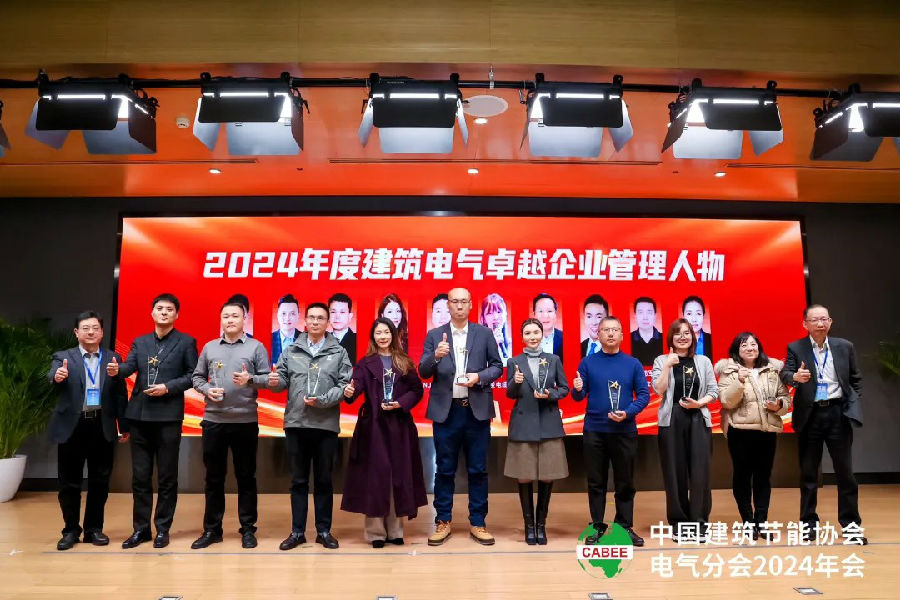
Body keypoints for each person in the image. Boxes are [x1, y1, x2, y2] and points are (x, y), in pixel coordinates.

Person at [109, 293, 198, 549]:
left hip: (168, 416)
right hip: (139, 416)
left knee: (167, 477)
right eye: (159, 308)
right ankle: (141, 529)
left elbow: (192, 375)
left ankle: (163, 529)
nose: (164, 312)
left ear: (176, 314)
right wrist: (117, 370)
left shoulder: (186, 341)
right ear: (152, 313)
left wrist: (168, 387)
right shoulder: (140, 341)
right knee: (140, 476)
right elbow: (129, 367)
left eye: (169, 309)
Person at [419, 287, 503, 546]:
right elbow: (423, 371)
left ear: (470, 304)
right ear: (448, 305)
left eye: (463, 301)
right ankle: (443, 521)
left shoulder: (484, 333)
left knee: (478, 469)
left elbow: (497, 367)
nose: (458, 306)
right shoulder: (435, 335)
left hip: (476, 410)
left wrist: (480, 377)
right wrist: (436, 356)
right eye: (454, 301)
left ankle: (478, 522)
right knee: (444, 469)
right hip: (447, 412)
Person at [268, 302, 352, 551]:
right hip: (296, 422)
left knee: (324, 480)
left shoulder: (339, 352)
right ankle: (297, 532)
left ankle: (324, 531)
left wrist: (323, 400)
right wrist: (273, 380)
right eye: (311, 318)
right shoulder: (291, 350)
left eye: (320, 318)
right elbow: (281, 381)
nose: (315, 322)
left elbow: (345, 385)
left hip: (325, 425)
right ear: (304, 322)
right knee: (298, 481)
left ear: (327, 323)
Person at [780, 304, 866, 544]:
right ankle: (809, 524)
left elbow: (856, 380)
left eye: (824, 319)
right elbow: (785, 373)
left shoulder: (844, 347)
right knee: (808, 474)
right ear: (805, 324)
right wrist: (795, 377)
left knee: (845, 473)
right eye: (815, 320)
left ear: (830, 322)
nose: (820, 323)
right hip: (810, 415)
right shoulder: (796, 347)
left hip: (838, 414)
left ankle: (851, 526)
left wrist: (852, 406)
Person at [190, 300, 271, 550]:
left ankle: (248, 528)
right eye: (226, 316)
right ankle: (212, 529)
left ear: (244, 319)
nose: (230, 320)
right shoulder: (210, 347)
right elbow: (197, 377)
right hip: (214, 420)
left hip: (245, 421)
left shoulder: (256, 347)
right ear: (221, 320)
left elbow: (268, 379)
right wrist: (207, 390)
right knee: (214, 478)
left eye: (235, 316)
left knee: (246, 477)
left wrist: (250, 379)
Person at [340, 318, 426, 548]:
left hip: (399, 426)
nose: (383, 337)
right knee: (375, 478)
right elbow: (355, 387)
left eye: (386, 332)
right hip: (374, 428)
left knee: (398, 476)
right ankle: (376, 533)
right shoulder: (365, 363)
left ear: (393, 335)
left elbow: (417, 390)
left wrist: (401, 403)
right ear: (373, 337)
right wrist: (349, 391)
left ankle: (396, 531)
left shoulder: (404, 361)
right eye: (378, 333)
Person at [48, 311, 129, 551]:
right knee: (69, 482)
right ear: (77, 332)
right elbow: (52, 375)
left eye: (95, 328)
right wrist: (57, 376)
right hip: (73, 427)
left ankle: (94, 529)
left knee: (100, 481)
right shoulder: (63, 357)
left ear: (102, 332)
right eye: (85, 328)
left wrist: (124, 425)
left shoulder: (113, 358)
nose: (91, 332)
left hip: (101, 425)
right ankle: (70, 530)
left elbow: (119, 394)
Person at [573, 316, 649, 547]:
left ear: (622, 335)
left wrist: (628, 412)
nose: (610, 333)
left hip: (624, 431)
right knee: (596, 482)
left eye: (615, 329)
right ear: (598, 334)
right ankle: (597, 526)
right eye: (606, 330)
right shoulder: (587, 363)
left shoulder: (633, 363)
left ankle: (624, 527)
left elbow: (643, 396)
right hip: (595, 431)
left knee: (625, 482)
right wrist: (577, 389)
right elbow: (578, 396)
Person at [716, 332, 791, 539]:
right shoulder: (729, 371)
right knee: (742, 477)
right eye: (744, 345)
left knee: (763, 478)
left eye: (753, 344)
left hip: (766, 431)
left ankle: (762, 522)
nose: (750, 348)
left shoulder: (771, 370)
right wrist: (739, 382)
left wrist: (779, 405)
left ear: (759, 347)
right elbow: (726, 401)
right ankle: (748, 522)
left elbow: (786, 398)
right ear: (736, 350)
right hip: (740, 432)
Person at [651, 319, 718, 539]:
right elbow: (659, 390)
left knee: (700, 473)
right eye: (678, 333)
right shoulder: (662, 360)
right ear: (671, 337)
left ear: (693, 336)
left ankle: (699, 522)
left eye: (687, 333)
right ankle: (679, 523)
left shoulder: (703, 361)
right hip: (672, 419)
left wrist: (699, 403)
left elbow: (713, 391)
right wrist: (668, 366)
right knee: (674, 472)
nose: (682, 337)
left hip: (698, 417)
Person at [505, 318, 569, 545]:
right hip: (523, 424)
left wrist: (550, 394)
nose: (532, 337)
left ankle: (541, 525)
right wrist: (515, 381)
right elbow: (510, 393)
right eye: (528, 333)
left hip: (548, 423)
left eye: (536, 332)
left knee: (547, 474)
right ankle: (529, 526)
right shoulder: (514, 361)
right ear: (522, 337)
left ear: (542, 335)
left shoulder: (553, 359)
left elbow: (564, 388)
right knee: (524, 476)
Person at [480, 293, 512, 365]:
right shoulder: (477, 344)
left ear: (505, 314)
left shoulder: (512, 345)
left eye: (499, 311)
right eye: (489, 313)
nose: (496, 317)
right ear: (483, 319)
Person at [630, 297, 662, 366]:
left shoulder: (664, 338)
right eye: (640, 312)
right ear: (635, 316)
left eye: (649, 312)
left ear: (655, 316)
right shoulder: (627, 339)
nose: (645, 317)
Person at [532, 293, 563, 362]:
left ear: (555, 314)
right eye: (540, 311)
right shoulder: (526, 340)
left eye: (549, 311)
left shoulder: (565, 339)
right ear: (534, 315)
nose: (545, 316)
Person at [271, 294, 301, 364]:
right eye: (283, 313)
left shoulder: (306, 339)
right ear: (277, 315)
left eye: (292, 313)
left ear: (298, 315)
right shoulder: (269, 339)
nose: (287, 318)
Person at [328, 292, 357, 363]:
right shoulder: (321, 341)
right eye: (333, 312)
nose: (337, 317)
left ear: (350, 316)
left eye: (342, 312)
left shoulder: (359, 341)